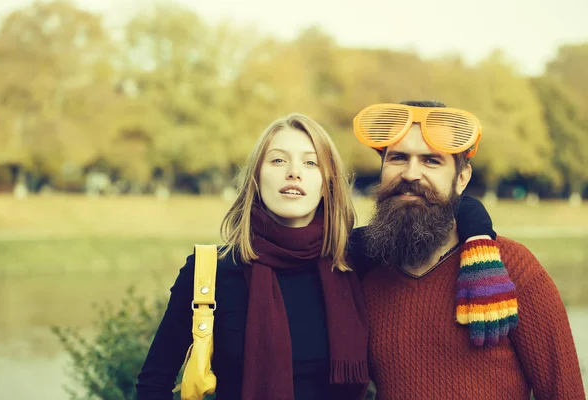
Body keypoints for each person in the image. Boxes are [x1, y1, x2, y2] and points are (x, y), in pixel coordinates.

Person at [135, 112, 495, 400]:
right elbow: (153, 384)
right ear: (257, 178)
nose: (294, 171)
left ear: (328, 183)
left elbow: (449, 204)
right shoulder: (210, 270)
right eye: (278, 160)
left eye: (310, 163)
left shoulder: (354, 255)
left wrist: (479, 242)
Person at [349, 100, 585, 399]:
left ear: (461, 179)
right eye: (398, 158)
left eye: (431, 161)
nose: (410, 174)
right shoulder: (362, 267)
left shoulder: (512, 267)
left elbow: (565, 393)